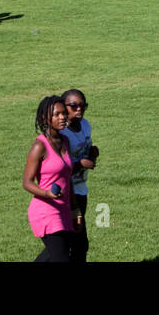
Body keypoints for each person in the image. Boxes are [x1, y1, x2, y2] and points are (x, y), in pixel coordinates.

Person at [24, 95, 75, 262]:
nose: (62, 117)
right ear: (45, 118)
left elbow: (68, 179)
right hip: (46, 209)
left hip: (64, 209)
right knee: (61, 258)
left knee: (54, 255)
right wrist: (47, 194)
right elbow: (27, 182)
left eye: (64, 113)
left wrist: (76, 211)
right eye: (56, 114)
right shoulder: (39, 146)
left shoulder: (65, 141)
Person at [60, 89, 97, 263]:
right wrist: (81, 164)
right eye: (73, 106)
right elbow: (59, 168)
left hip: (81, 190)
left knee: (77, 243)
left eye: (83, 105)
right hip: (67, 194)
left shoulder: (85, 125)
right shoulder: (62, 134)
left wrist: (92, 153)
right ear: (63, 107)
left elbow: (85, 149)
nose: (79, 109)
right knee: (74, 243)